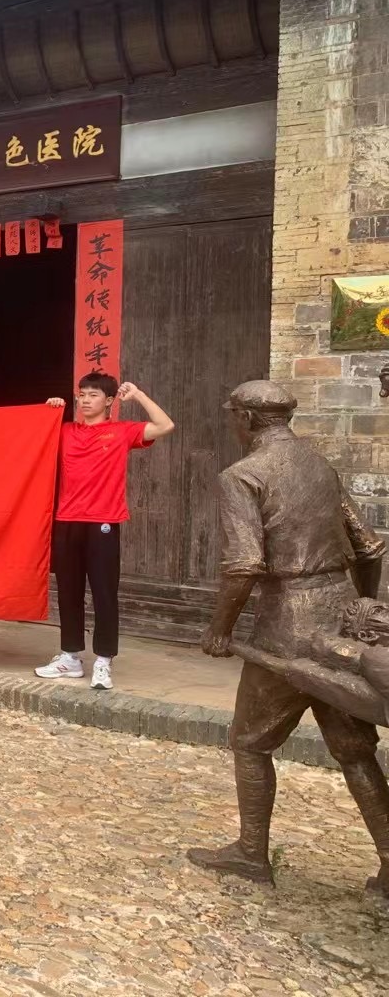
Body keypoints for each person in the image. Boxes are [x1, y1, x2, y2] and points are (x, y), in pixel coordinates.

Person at [188, 381, 389, 891]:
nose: (232, 424)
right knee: (355, 750)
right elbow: (369, 548)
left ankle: (251, 853)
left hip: (285, 625)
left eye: (233, 416)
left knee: (250, 742)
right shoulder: (320, 466)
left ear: (247, 419)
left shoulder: (243, 475)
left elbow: (244, 564)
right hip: (339, 611)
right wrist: (360, 610)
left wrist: (219, 629)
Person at [36, 373, 174, 691]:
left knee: (104, 593)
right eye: (81, 394)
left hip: (104, 522)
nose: (85, 400)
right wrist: (49, 410)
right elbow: (33, 438)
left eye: (93, 395)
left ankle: (103, 661)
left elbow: (165, 425)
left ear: (109, 400)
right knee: (68, 592)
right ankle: (70, 657)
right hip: (67, 520)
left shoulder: (122, 432)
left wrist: (138, 395)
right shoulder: (65, 431)